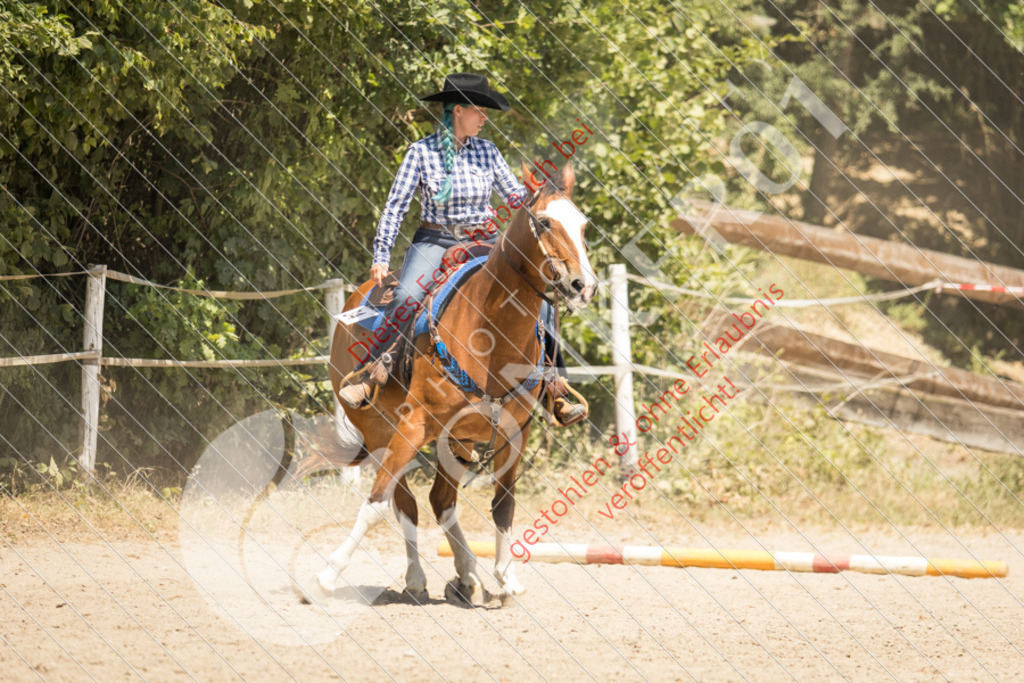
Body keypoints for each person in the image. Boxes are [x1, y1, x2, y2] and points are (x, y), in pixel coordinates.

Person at [338, 73, 586, 426]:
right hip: (435, 241)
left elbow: (514, 196)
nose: (484, 118)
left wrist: (542, 200)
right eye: (479, 111)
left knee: (536, 298)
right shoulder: (420, 153)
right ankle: (373, 371)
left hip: (484, 242)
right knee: (408, 295)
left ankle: (555, 388)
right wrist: (381, 255)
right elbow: (396, 206)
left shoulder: (488, 151)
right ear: (457, 111)